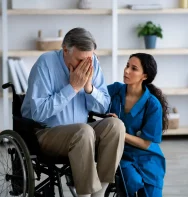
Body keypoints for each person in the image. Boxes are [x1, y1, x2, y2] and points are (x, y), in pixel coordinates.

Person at [21, 27, 126, 197]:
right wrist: (73, 88)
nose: (85, 66)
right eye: (80, 60)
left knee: (116, 126)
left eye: (89, 59)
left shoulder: (93, 64)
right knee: (83, 131)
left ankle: (99, 194)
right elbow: (38, 113)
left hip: (83, 133)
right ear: (65, 50)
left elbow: (103, 107)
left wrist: (89, 88)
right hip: (46, 133)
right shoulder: (45, 63)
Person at [106, 53, 168, 197]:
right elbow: (94, 97)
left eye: (134, 68)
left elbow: (146, 143)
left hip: (148, 157)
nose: (126, 71)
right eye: (127, 65)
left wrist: (118, 129)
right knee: (131, 180)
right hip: (121, 154)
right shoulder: (114, 90)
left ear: (144, 76)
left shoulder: (152, 105)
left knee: (152, 191)